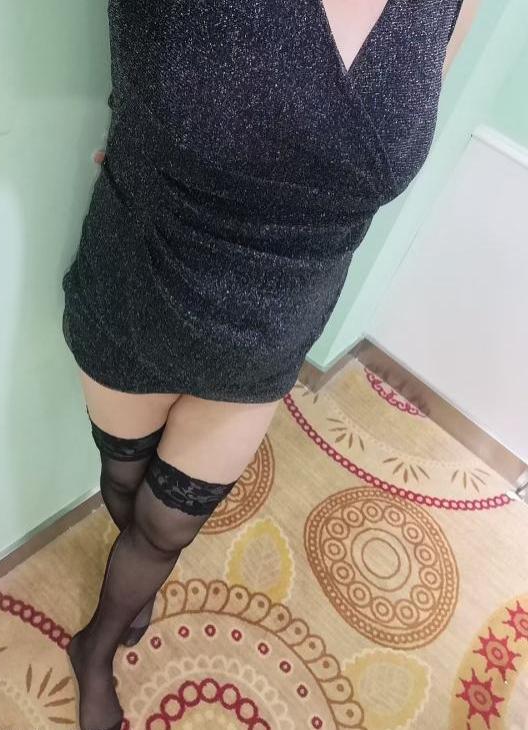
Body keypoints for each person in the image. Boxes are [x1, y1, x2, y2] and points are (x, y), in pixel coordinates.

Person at [60, 1, 474, 728]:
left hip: (271, 331)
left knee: (167, 526)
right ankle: (124, 595)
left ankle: (96, 642)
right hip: (140, 284)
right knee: (123, 479)